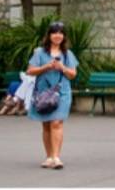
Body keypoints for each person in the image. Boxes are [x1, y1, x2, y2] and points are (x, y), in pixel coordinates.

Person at [27, 21, 79, 169]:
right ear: (49, 35)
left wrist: (62, 67)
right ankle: (49, 156)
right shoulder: (40, 53)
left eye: (61, 33)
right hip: (43, 92)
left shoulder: (68, 54)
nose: (58, 36)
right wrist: (47, 66)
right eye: (54, 32)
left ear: (64, 36)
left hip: (62, 92)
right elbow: (30, 71)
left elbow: (73, 74)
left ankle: (56, 157)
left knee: (56, 122)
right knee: (46, 124)